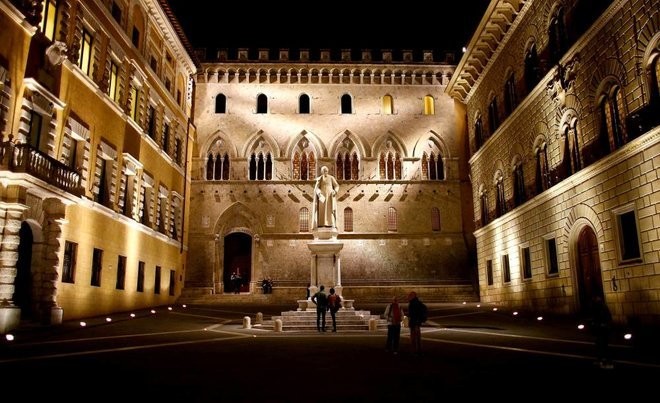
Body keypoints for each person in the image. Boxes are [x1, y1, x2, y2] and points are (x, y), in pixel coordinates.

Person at [591, 295, 613, 369]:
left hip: (603, 329)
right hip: (600, 329)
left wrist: (604, 324)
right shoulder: (597, 307)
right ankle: (601, 359)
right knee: (599, 344)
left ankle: (607, 362)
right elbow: (596, 317)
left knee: (603, 345)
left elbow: (607, 318)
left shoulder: (602, 307)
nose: (595, 299)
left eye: (596, 298)